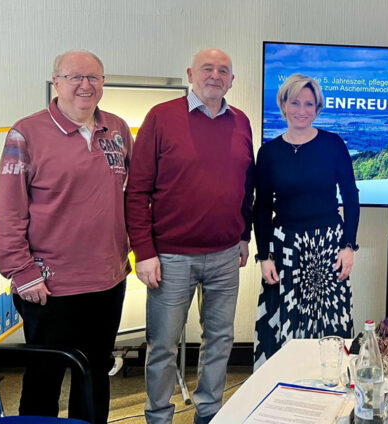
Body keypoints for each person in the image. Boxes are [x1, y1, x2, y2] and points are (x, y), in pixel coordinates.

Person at [0, 50, 131, 424]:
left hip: (107, 280)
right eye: (75, 77)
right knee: (44, 378)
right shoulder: (26, 133)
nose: (85, 85)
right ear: (57, 82)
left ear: (103, 82)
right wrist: (22, 272)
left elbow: (130, 197)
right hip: (48, 286)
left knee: (96, 374)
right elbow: (7, 211)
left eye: (94, 77)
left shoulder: (117, 129)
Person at [125, 48, 255, 424]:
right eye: (207, 68)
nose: (215, 75)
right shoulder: (161, 117)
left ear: (232, 80)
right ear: (190, 74)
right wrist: (144, 252)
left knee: (219, 341)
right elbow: (137, 191)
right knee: (162, 345)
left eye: (223, 70)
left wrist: (244, 235)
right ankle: (159, 416)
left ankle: (209, 413)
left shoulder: (241, 121)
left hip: (226, 254)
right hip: (170, 257)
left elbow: (246, 185)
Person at [252, 73, 360, 368]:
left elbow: (351, 197)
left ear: (317, 108)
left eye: (309, 104)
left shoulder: (333, 144)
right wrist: (264, 256)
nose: (302, 110)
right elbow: (262, 207)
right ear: (283, 105)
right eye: (295, 102)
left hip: (328, 246)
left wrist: (348, 246)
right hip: (284, 246)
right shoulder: (269, 152)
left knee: (330, 323)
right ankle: (286, 380)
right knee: (286, 320)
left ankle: (332, 380)